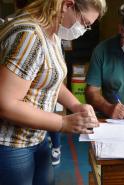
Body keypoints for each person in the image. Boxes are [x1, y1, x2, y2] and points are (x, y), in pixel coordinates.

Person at [0, 0, 107, 185]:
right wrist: (62, 122)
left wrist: (76, 105)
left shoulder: (53, 34)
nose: (83, 29)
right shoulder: (29, 35)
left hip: (37, 137)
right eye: (85, 23)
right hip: (12, 144)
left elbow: (50, 80)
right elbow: (6, 104)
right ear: (67, 5)